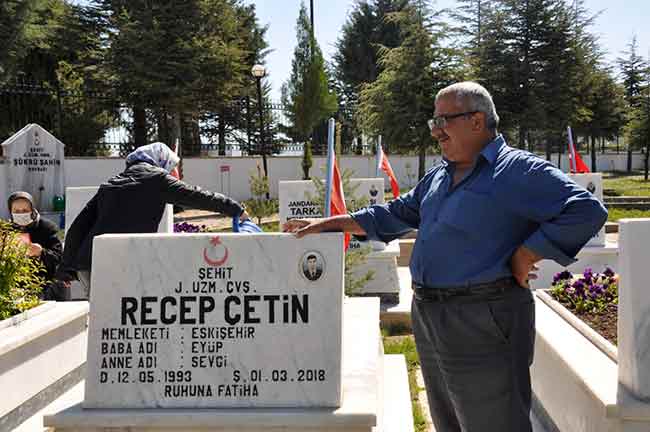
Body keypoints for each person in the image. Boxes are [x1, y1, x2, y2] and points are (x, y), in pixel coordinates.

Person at [284, 82, 608, 432]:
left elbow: (586, 211)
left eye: (444, 120)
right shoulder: (440, 174)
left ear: (477, 121)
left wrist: (527, 253)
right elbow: (392, 215)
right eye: (434, 121)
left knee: (494, 422)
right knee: (448, 421)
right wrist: (326, 224)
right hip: (430, 316)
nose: (436, 130)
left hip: (484, 318)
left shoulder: (518, 171)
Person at [58, 142, 249, 295]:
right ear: (162, 161)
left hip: (91, 263)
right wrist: (235, 209)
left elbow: (80, 226)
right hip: (123, 264)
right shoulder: (157, 180)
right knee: (122, 321)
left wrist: (66, 267)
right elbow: (199, 196)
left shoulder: (110, 184)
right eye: (174, 166)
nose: (175, 172)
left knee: (104, 323)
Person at [7, 191, 67, 300]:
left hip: (47, 286)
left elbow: (59, 258)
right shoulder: (7, 230)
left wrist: (41, 252)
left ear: (32, 210)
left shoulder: (48, 228)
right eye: (16, 211)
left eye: (25, 210)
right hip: (16, 288)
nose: (21, 214)